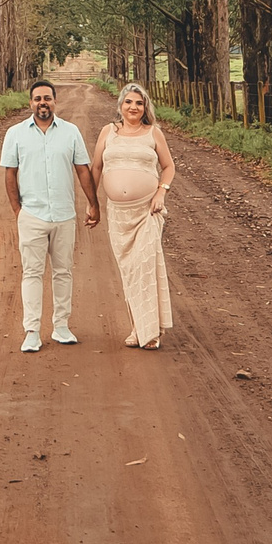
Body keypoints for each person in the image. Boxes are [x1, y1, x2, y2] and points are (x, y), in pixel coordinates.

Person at [1, 79, 99, 353]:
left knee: (63, 272)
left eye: (47, 98)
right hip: (31, 215)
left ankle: (61, 326)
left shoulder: (70, 132)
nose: (42, 103)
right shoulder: (16, 133)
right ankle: (32, 331)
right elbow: (10, 173)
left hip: (64, 215)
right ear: (30, 103)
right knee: (32, 273)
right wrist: (18, 211)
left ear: (55, 101)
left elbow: (82, 169)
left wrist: (94, 204)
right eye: (37, 99)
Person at [96, 82, 175, 349]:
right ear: (120, 105)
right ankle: (139, 326)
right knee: (129, 271)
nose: (134, 107)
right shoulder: (108, 132)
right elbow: (96, 168)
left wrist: (161, 193)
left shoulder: (153, 133)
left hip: (147, 211)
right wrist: (91, 203)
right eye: (129, 102)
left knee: (144, 267)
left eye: (139, 103)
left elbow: (168, 167)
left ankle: (148, 332)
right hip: (118, 214)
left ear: (145, 108)